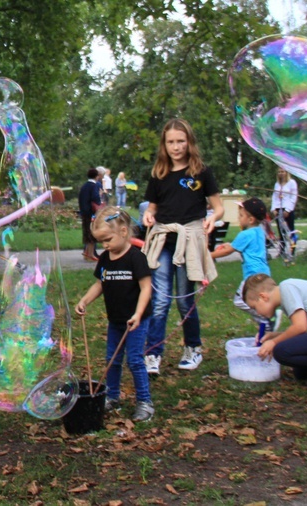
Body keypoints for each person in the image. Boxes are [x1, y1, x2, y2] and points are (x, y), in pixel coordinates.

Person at [141, 118, 223, 374]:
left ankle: (193, 348)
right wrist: (148, 216)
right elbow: (152, 207)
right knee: (160, 299)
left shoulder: (201, 172)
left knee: (185, 300)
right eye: (170, 142)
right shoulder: (159, 174)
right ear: (164, 145)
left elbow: (218, 206)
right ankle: (153, 352)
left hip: (189, 240)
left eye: (180, 141)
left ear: (189, 142)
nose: (176, 147)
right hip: (164, 240)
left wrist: (213, 218)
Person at [75, 207, 154, 422]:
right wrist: (85, 300)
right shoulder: (105, 260)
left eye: (107, 239)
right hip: (116, 320)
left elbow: (146, 288)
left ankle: (145, 402)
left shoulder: (136, 258)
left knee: (136, 360)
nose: (105, 245)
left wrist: (138, 314)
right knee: (112, 360)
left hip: (136, 320)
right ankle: (112, 396)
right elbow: (100, 284)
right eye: (101, 241)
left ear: (123, 231)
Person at [211, 197, 271, 329]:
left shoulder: (245, 234)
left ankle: (266, 318)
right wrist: (229, 244)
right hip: (264, 273)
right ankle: (266, 325)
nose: (239, 218)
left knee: (240, 300)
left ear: (250, 220)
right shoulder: (259, 231)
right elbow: (238, 246)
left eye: (241, 215)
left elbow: (228, 252)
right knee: (257, 301)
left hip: (252, 275)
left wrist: (209, 255)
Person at [271, 168, 298, 255]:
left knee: (290, 230)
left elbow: (293, 198)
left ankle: (292, 250)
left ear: (286, 173)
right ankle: (282, 251)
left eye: (282, 172)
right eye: (279, 172)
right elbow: (274, 197)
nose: (281, 173)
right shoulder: (277, 184)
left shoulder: (292, 183)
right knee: (281, 231)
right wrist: (274, 209)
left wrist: (288, 210)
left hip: (287, 209)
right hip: (279, 209)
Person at [78, 168, 102, 261]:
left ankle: (87, 252)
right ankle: (91, 254)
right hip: (91, 212)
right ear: (97, 176)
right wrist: (99, 196)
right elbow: (95, 198)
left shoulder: (84, 186)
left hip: (84, 212)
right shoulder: (94, 186)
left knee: (86, 232)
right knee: (92, 233)